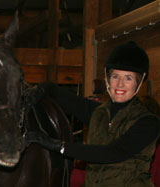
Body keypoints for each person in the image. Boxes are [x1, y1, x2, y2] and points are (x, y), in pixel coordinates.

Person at [26, 41, 160, 186]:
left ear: (138, 83)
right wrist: (42, 89)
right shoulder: (99, 113)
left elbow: (113, 152)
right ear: (108, 79)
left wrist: (58, 146)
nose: (120, 84)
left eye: (128, 78)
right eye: (115, 76)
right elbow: (61, 96)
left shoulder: (149, 122)